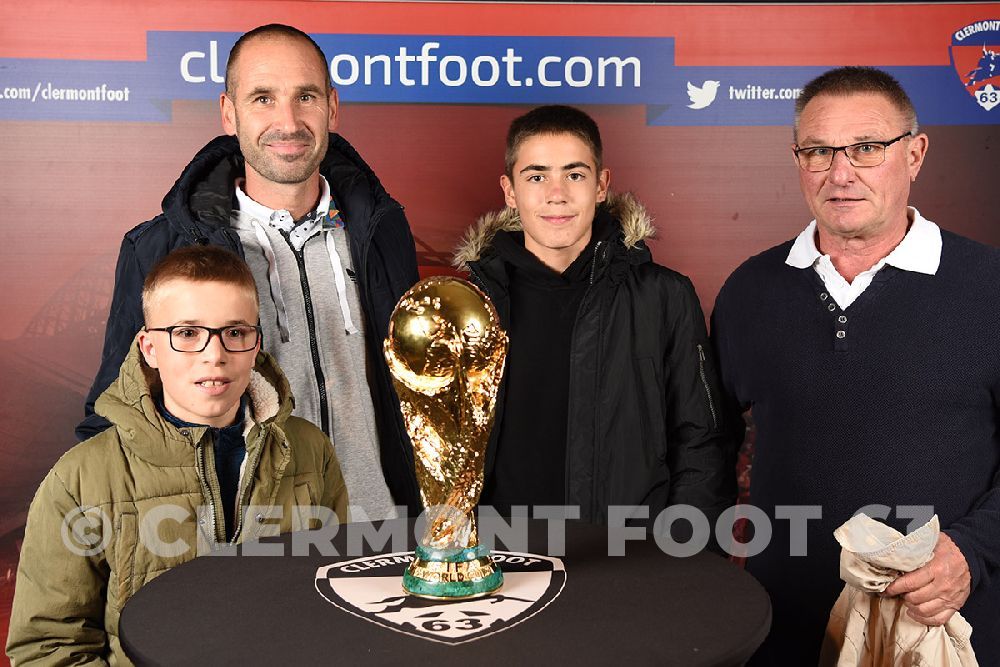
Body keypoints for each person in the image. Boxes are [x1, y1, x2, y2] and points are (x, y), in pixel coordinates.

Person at [711, 66, 1000, 663]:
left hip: (941, 626)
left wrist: (974, 550)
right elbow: (707, 450)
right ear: (798, 159)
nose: (840, 174)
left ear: (915, 154)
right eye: (819, 151)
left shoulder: (989, 287)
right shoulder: (748, 292)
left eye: (867, 148)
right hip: (779, 627)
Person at [77, 24, 420, 519]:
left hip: (381, 532)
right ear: (228, 112)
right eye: (263, 98)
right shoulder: (161, 246)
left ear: (332, 107)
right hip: (252, 550)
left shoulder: (382, 230)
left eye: (306, 96)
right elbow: (117, 410)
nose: (289, 121)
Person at [6, 245, 348, 664]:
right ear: (149, 348)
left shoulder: (310, 449)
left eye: (235, 332)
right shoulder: (78, 479)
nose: (214, 355)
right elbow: (48, 647)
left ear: (256, 344)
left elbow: (336, 600)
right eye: (187, 334)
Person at [453, 105, 734, 534]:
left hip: (625, 560)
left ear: (601, 185)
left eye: (575, 174)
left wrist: (683, 564)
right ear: (509, 191)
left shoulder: (664, 296)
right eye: (536, 176)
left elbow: (700, 444)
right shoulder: (469, 303)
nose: (557, 193)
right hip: (500, 563)